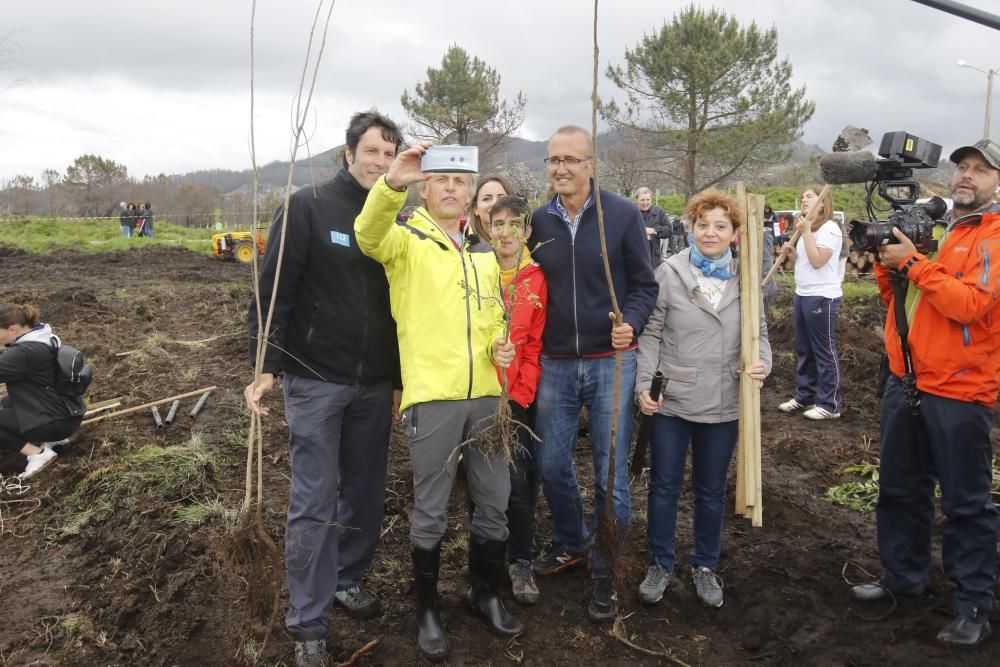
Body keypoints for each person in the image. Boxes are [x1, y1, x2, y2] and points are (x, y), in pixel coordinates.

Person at [243, 110, 403, 667]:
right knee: (314, 498)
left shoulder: (397, 221)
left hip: (374, 384)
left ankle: (348, 578)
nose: (380, 163)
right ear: (349, 153)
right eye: (372, 152)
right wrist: (267, 364)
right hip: (315, 381)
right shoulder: (308, 207)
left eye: (389, 154)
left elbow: (402, 310)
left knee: (363, 489)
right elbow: (275, 290)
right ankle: (308, 622)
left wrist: (400, 382)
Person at [355, 142, 523, 662]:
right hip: (433, 399)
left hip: (488, 398)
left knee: (494, 501)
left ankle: (483, 591)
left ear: (471, 192)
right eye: (441, 180)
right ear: (426, 188)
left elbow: (493, 314)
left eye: (460, 181)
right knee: (430, 509)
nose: (451, 187)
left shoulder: (482, 252)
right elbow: (367, 235)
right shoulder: (406, 243)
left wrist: (501, 343)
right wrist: (391, 184)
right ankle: (427, 608)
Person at [851, 139, 1000, 648]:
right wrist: (886, 263)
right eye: (962, 166)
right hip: (907, 380)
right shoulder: (943, 232)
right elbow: (901, 299)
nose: (967, 175)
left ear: (996, 182)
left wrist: (913, 262)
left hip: (960, 390)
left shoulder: (993, 237)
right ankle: (903, 576)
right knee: (899, 489)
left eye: (981, 170)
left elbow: (971, 306)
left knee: (965, 503)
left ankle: (974, 604)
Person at [528, 125, 658, 621]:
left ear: (590, 164)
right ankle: (572, 540)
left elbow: (644, 287)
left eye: (570, 159)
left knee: (611, 476)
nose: (560, 168)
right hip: (556, 361)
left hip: (610, 363)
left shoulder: (621, 215)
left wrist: (632, 323)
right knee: (552, 465)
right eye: (552, 160)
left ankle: (606, 568)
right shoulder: (539, 222)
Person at [634, 190, 770, 609]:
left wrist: (762, 364)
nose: (710, 233)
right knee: (665, 485)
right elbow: (651, 332)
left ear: (734, 234)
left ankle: (705, 565)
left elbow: (759, 334)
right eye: (702, 225)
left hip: (725, 400)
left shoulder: (746, 279)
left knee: (712, 490)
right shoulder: (669, 273)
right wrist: (643, 385)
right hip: (673, 399)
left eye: (720, 226)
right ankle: (660, 562)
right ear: (691, 229)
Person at [485, 195, 547, 606]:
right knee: (486, 482)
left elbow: (534, 345)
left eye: (515, 224)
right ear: (487, 228)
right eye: (499, 223)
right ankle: (487, 558)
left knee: (521, 481)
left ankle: (521, 559)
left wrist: (518, 394)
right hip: (479, 393)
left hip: (518, 397)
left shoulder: (536, 279)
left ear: (526, 232)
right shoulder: (476, 272)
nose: (506, 232)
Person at [777, 186, 844, 420]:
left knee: (823, 350)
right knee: (804, 348)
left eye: (809, 196)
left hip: (822, 296)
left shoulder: (830, 229)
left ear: (823, 203)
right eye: (803, 196)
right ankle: (804, 395)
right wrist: (794, 256)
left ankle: (830, 404)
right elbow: (805, 264)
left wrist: (805, 232)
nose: (804, 199)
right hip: (803, 293)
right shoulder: (810, 230)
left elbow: (818, 261)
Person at [0, 304, 83, 479]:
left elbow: (10, 363)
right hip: (67, 414)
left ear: (12, 329)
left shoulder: (23, 352)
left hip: (53, 422)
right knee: (7, 403)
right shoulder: (44, 337)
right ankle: (52, 441)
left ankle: (38, 454)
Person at [469, 175, 513, 252]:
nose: (495, 203)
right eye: (486, 199)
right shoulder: (468, 248)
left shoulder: (522, 241)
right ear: (475, 208)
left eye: (502, 198)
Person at [635, 186, 671, 267]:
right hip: (634, 255)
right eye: (642, 200)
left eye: (648, 199)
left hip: (653, 255)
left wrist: (653, 230)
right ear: (636, 200)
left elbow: (669, 230)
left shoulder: (659, 212)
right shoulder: (630, 212)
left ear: (651, 199)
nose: (645, 203)